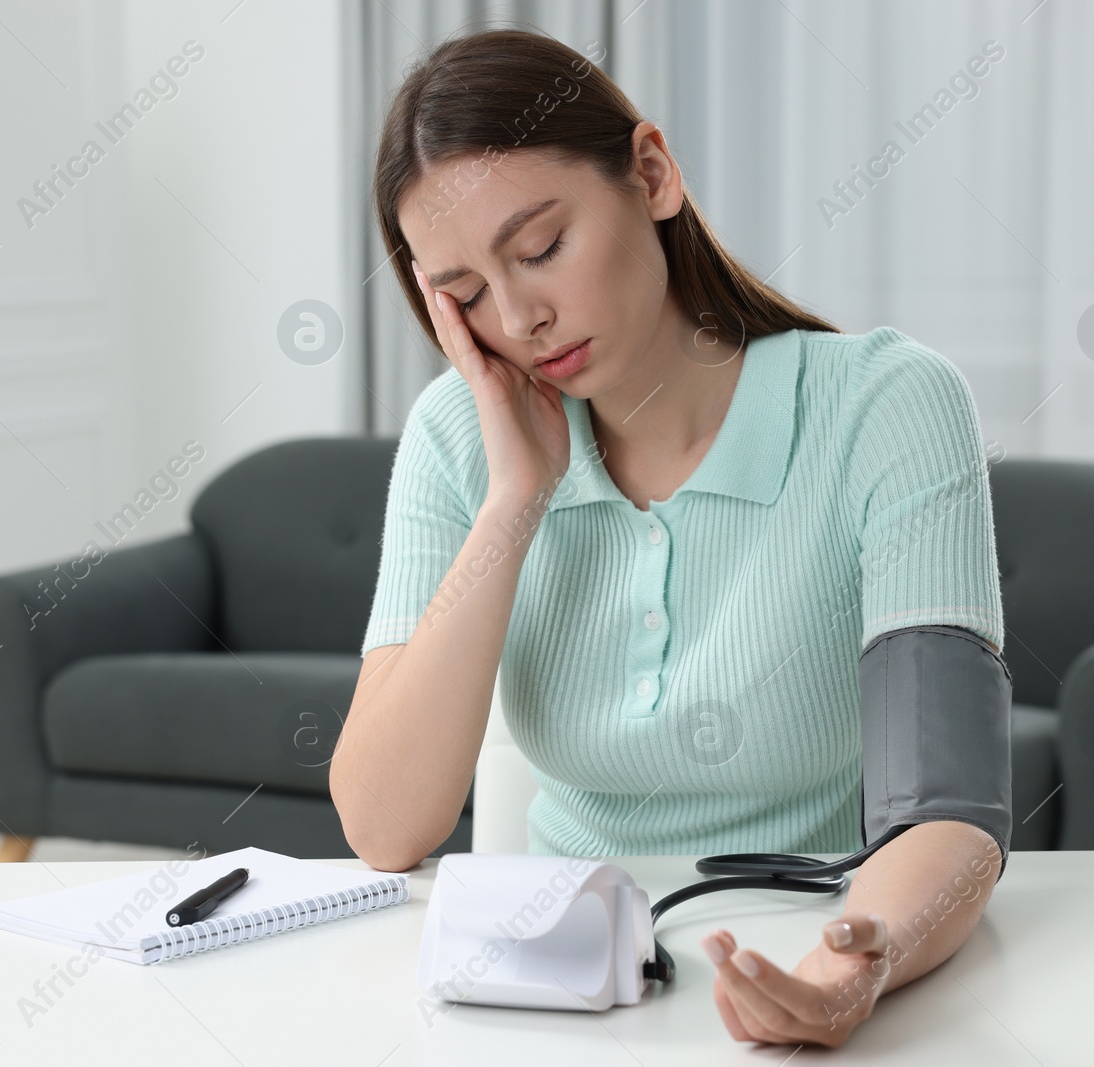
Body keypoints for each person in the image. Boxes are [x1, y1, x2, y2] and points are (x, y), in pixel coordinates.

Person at [330, 27, 1008, 1048]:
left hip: (812, 950)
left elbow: (949, 816)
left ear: (650, 175)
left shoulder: (887, 406)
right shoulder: (456, 439)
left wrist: (845, 965)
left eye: (541, 248)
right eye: (464, 294)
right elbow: (385, 825)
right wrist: (516, 497)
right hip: (554, 992)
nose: (518, 317)